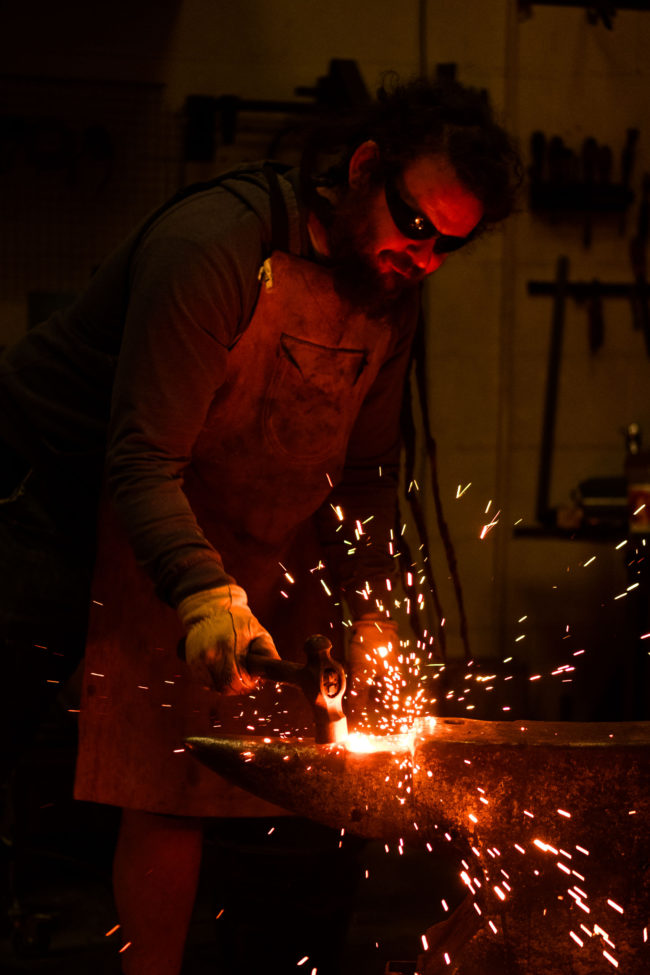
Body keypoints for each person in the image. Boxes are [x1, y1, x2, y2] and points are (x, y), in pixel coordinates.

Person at [0, 76, 520, 973]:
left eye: (450, 246)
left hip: (226, 523)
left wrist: (367, 611)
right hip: (53, 499)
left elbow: (361, 478)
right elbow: (140, 459)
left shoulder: (390, 290)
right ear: (364, 168)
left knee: (304, 785)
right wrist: (204, 590)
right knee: (145, 779)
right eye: (417, 224)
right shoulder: (215, 248)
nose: (425, 255)